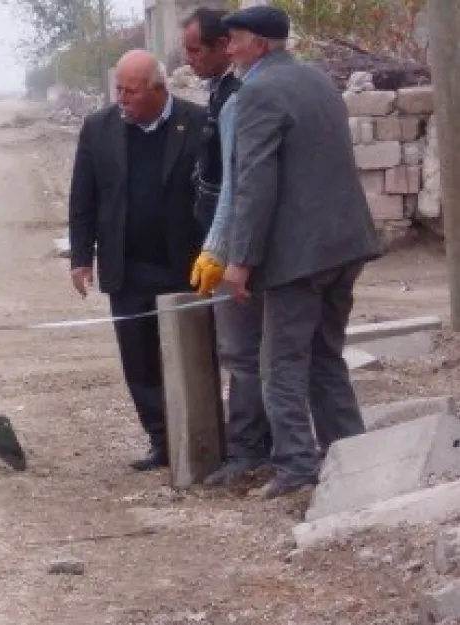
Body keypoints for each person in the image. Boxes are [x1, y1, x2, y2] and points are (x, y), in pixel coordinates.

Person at [219, 6, 382, 498]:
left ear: (261, 45)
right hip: (344, 245)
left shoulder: (257, 94)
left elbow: (255, 184)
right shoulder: (316, 80)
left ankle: (296, 468)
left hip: (299, 256)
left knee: (281, 364)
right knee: (326, 355)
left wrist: (240, 260)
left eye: (236, 40)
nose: (229, 49)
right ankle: (348, 454)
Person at [68, 49, 208, 471]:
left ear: (159, 90)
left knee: (191, 355)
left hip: (184, 263)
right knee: (139, 359)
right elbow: (83, 198)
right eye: (119, 90)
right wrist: (80, 257)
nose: (123, 99)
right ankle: (161, 440)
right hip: (126, 266)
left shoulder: (198, 123)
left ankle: (201, 438)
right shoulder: (99, 128)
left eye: (132, 91)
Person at [182, 8, 273, 486]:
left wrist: (221, 249)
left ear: (224, 46)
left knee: (241, 349)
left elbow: (238, 186)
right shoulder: (220, 93)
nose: (191, 60)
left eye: (198, 50)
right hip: (226, 238)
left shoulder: (241, 98)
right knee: (237, 348)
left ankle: (247, 452)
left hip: (238, 244)